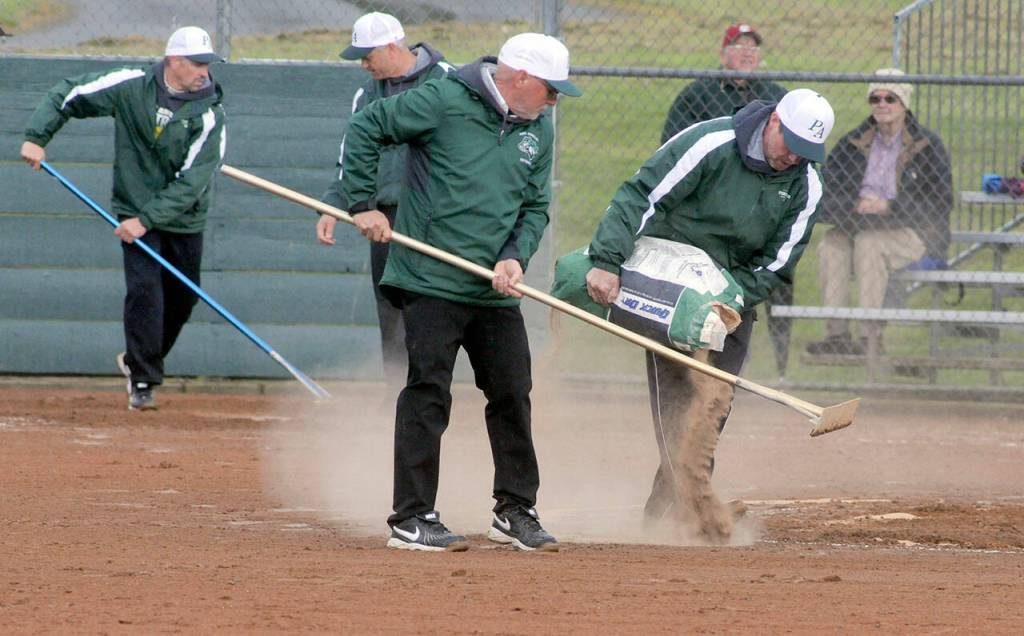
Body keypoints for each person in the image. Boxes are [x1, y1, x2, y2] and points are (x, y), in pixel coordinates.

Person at [339, 32, 582, 551]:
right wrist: (363, 202)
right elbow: (367, 128)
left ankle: (515, 509)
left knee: (513, 391)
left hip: (493, 288)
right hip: (430, 277)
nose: (557, 100)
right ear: (520, 78)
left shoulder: (539, 127)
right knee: (429, 390)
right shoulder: (445, 98)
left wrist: (514, 255)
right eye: (552, 89)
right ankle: (411, 516)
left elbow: (535, 207)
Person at [585, 89, 834, 542]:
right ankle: (677, 521)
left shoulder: (806, 184)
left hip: (730, 298)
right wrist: (606, 259)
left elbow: (779, 262)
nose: (795, 160)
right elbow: (642, 195)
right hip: (670, 283)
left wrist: (730, 299)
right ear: (774, 122)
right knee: (678, 410)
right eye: (791, 146)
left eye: (807, 154)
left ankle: (674, 517)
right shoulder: (710, 143)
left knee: (712, 411)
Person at [20, 26, 226, 411]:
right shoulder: (131, 85)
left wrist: (146, 220)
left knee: (182, 298)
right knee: (145, 292)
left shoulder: (211, 114)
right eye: (198, 63)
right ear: (174, 61)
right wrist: (37, 136)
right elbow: (69, 92)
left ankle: (137, 360)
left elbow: (192, 184)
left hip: (183, 218)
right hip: (134, 210)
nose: (204, 72)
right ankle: (144, 379)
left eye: (208, 64)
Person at [317, 12, 453, 396]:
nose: (362, 65)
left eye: (366, 55)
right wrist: (333, 202)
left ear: (391, 47)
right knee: (391, 309)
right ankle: (400, 394)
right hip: (385, 218)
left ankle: (433, 390)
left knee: (436, 308)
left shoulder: (449, 81)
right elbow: (352, 155)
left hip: (438, 217)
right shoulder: (367, 93)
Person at [662, 22, 793, 378]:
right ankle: (695, 364)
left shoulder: (777, 96)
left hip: (761, 214)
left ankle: (777, 368)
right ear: (722, 55)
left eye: (753, 47)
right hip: (705, 218)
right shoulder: (698, 94)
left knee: (778, 276)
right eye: (738, 46)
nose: (747, 52)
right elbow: (672, 153)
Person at [806, 68, 953, 356]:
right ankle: (836, 336)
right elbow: (824, 192)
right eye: (875, 98)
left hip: (912, 233)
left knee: (869, 244)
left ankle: (868, 337)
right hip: (857, 224)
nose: (882, 104)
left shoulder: (928, 145)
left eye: (890, 98)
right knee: (831, 245)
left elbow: (940, 202)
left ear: (904, 104)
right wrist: (853, 206)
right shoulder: (852, 143)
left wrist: (890, 207)